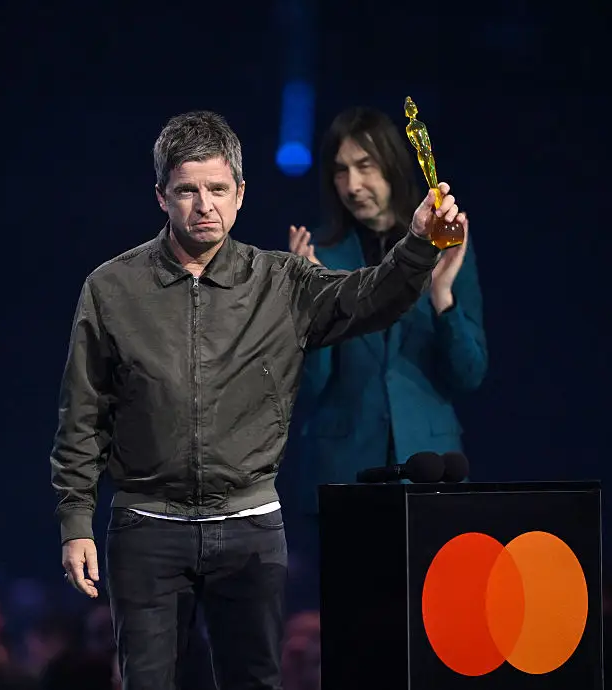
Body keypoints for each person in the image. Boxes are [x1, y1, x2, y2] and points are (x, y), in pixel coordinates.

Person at [49, 109, 467, 690]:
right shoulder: (111, 288)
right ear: (161, 197)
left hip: (248, 529)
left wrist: (418, 242)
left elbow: (373, 298)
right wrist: (76, 521)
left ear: (241, 194)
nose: (204, 205)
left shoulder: (282, 282)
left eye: (218, 189)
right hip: (147, 527)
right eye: (187, 191)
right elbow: (82, 413)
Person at [280, 106, 485, 611]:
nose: (353, 184)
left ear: (393, 165)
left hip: (430, 466)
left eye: (365, 165)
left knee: (433, 623)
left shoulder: (445, 241)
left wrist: (441, 295)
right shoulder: (321, 258)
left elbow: (470, 373)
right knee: (359, 624)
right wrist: (314, 303)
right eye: (341, 170)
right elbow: (309, 388)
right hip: (347, 472)